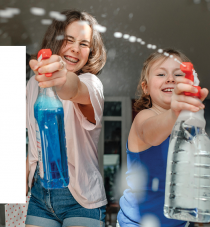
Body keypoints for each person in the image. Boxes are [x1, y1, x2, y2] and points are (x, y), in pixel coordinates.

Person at [25, 10, 107, 227]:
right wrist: (26, 169)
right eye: (68, 40)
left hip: (81, 198)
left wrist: (61, 78)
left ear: (91, 51)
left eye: (84, 44)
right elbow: (35, 135)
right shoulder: (34, 83)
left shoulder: (91, 84)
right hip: (40, 194)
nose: (75, 49)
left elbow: (73, 88)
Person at [117, 49, 208, 227]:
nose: (170, 79)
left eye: (178, 74)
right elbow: (152, 135)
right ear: (146, 87)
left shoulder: (191, 128)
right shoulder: (143, 118)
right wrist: (174, 113)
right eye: (161, 74)